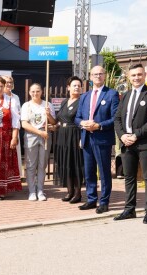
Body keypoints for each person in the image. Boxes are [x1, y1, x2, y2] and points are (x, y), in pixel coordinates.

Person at [114, 63, 147, 224]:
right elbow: (118, 119)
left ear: (144, 75)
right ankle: (129, 209)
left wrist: (136, 135)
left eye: (139, 75)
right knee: (129, 177)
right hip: (127, 143)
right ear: (129, 77)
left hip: (144, 144)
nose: (136, 78)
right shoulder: (126, 95)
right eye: (133, 75)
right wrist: (122, 136)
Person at [75, 65, 119, 214]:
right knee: (89, 171)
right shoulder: (84, 96)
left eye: (100, 74)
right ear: (90, 76)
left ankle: (104, 201)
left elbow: (115, 118)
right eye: (95, 74)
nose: (98, 76)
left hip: (102, 138)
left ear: (105, 76)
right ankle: (91, 199)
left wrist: (99, 126)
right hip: (87, 138)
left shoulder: (112, 94)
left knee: (104, 172)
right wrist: (82, 123)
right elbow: (77, 117)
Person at [21, 83, 56, 201]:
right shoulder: (26, 105)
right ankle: (31, 191)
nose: (35, 93)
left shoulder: (47, 104)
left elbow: (53, 123)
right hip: (32, 135)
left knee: (42, 165)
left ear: (42, 92)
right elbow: (24, 124)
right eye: (33, 91)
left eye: (38, 91)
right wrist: (39, 132)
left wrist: (48, 114)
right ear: (30, 93)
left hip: (45, 136)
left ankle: (40, 190)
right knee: (31, 165)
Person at [54, 76, 85, 204]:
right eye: (74, 85)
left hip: (75, 135)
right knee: (65, 163)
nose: (76, 87)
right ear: (68, 88)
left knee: (75, 164)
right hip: (62, 136)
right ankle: (69, 191)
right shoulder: (64, 102)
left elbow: (84, 120)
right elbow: (59, 119)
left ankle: (78, 193)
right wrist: (53, 124)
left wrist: (82, 138)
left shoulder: (83, 101)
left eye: (79, 85)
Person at [2, 75, 23, 178]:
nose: (9, 84)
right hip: (3, 129)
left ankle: (14, 177)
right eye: (6, 82)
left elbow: (18, 113)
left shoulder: (16, 97)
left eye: (10, 82)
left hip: (14, 129)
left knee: (15, 153)